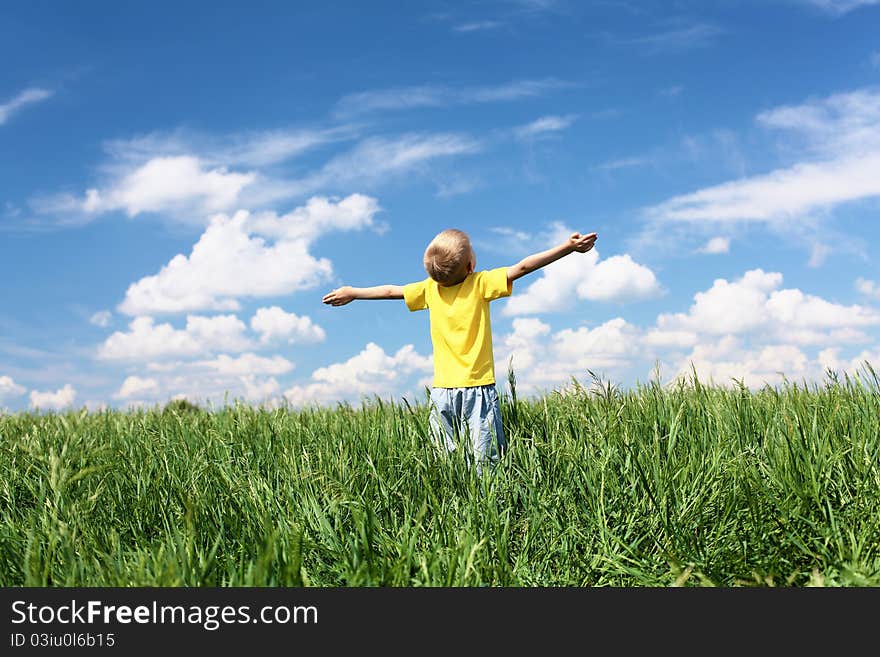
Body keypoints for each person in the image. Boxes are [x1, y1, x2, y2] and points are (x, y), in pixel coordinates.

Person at [322, 227, 597, 474]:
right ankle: (489, 505)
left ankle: (451, 499)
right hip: (478, 388)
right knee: (485, 460)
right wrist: (567, 248)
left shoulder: (430, 290)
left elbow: (390, 291)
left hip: (442, 392)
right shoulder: (479, 283)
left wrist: (353, 291)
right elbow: (523, 267)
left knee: (445, 458)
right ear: (469, 266)